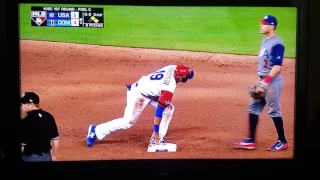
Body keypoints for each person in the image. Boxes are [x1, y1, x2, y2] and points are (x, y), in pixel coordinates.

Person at [86, 64, 194, 147]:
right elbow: (158, 112)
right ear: (179, 78)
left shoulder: (173, 67)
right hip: (138, 94)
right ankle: (95, 130)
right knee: (127, 122)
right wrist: (155, 131)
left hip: (149, 89)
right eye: (185, 77)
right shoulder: (168, 88)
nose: (186, 79)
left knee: (169, 109)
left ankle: (157, 139)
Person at [233, 15, 288, 151]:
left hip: (272, 82)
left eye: (264, 24)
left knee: (274, 111)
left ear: (272, 26)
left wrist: (265, 82)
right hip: (262, 81)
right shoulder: (265, 40)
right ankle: (251, 140)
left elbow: (277, 66)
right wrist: (261, 82)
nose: (261, 25)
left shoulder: (277, 43)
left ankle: (283, 141)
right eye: (261, 23)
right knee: (253, 108)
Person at [20, 92, 60, 161]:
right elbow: (55, 139)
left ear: (32, 105)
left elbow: (22, 146)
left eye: (23, 104)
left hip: (29, 159)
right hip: (47, 157)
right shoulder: (49, 117)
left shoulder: (25, 121)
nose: (21, 106)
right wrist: (54, 156)